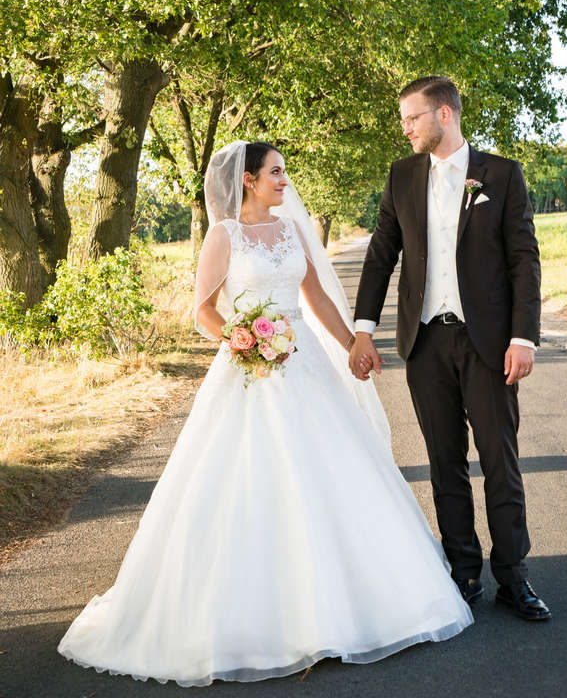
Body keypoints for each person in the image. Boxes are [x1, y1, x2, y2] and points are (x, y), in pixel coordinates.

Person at [58, 140, 472, 686]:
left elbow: (315, 298)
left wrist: (352, 344)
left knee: (332, 473)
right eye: (275, 172)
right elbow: (203, 310)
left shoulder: (291, 230)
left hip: (303, 362)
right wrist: (243, 341)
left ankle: (347, 608)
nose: (284, 181)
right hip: (248, 369)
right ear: (248, 180)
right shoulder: (224, 235)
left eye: (284, 172)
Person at [350, 76, 551, 621]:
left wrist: (523, 337)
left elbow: (524, 260)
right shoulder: (401, 175)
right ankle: (464, 574)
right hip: (425, 343)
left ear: (444, 114)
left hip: (488, 343)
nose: (405, 128)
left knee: (500, 461)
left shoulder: (501, 174)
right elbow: (381, 254)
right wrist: (363, 329)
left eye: (412, 117)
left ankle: (514, 578)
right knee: (444, 463)